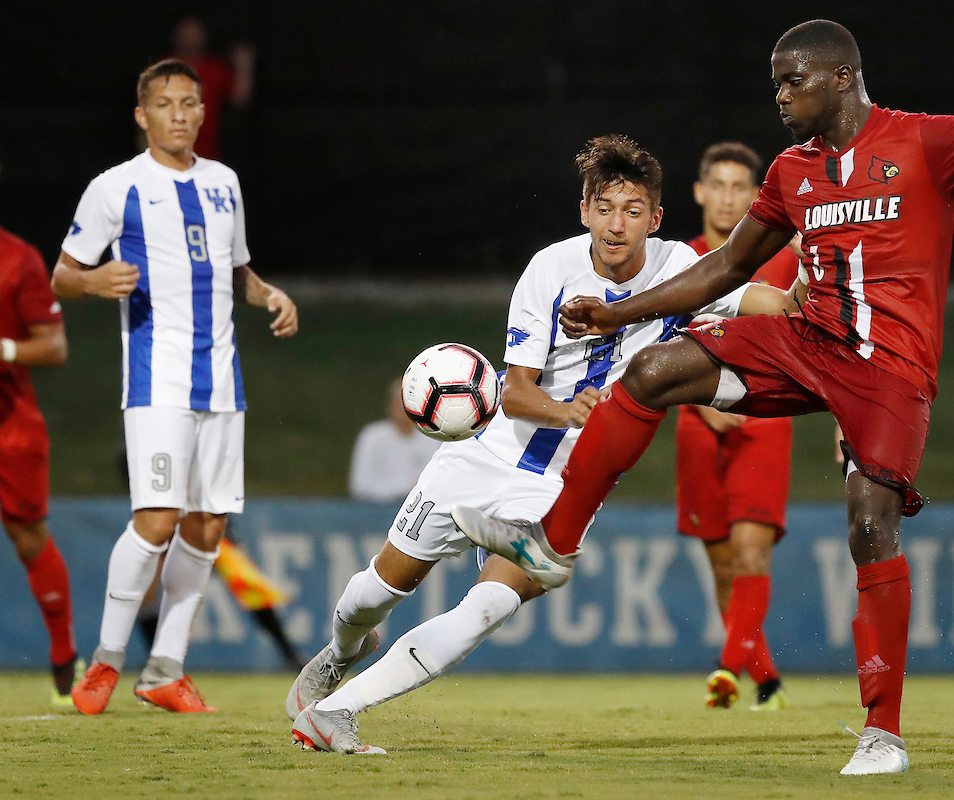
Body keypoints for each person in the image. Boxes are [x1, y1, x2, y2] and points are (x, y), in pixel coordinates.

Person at [454, 19, 954, 776]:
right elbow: (730, 265)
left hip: (892, 372)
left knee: (869, 524)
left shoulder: (928, 141)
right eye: (774, 83)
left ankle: (883, 733)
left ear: (841, 78)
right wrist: (618, 313)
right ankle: (554, 543)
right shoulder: (793, 170)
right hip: (808, 343)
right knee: (653, 371)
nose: (780, 96)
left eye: (791, 80)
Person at [285, 134, 803, 754]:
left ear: (656, 218)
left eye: (632, 210)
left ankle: (335, 712)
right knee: (377, 591)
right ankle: (342, 656)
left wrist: (818, 256)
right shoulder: (550, 268)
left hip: (561, 486)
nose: (617, 225)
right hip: (484, 456)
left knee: (486, 610)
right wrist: (574, 412)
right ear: (584, 210)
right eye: (605, 208)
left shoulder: (680, 271)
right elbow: (516, 394)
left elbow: (777, 304)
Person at [51, 59, 298, 714]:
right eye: (166, 104)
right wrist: (94, 281)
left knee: (208, 526)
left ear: (202, 112)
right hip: (155, 380)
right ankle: (104, 661)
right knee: (156, 519)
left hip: (222, 383)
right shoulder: (116, 188)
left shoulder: (224, 183)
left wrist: (269, 294)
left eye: (191, 103)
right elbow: (63, 276)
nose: (181, 114)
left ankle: (165, 668)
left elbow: (239, 268)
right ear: (143, 115)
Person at [676, 142, 799, 712]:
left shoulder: (782, 258)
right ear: (700, 192)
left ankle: (726, 670)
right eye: (717, 185)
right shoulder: (678, 261)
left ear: (755, 196)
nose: (727, 198)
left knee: (751, 556)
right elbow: (658, 344)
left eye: (738, 188)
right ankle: (766, 682)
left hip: (763, 421)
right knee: (724, 567)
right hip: (698, 427)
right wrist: (701, 404)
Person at [0, 217, 81, 706]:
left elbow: (53, 346)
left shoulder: (16, 258)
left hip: (9, 426)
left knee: (29, 538)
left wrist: (4, 348)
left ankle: (63, 654)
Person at [167, 16, 254, 160]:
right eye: (185, 33)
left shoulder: (216, 68)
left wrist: (244, 66)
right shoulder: (163, 67)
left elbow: (240, 99)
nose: (190, 38)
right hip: (169, 153)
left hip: (207, 154)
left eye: (194, 32)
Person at [348, 377, 440, 502]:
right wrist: (402, 487)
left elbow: (439, 482)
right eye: (400, 404)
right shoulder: (372, 436)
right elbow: (360, 485)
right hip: (376, 510)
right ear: (391, 406)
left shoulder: (433, 438)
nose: (404, 410)